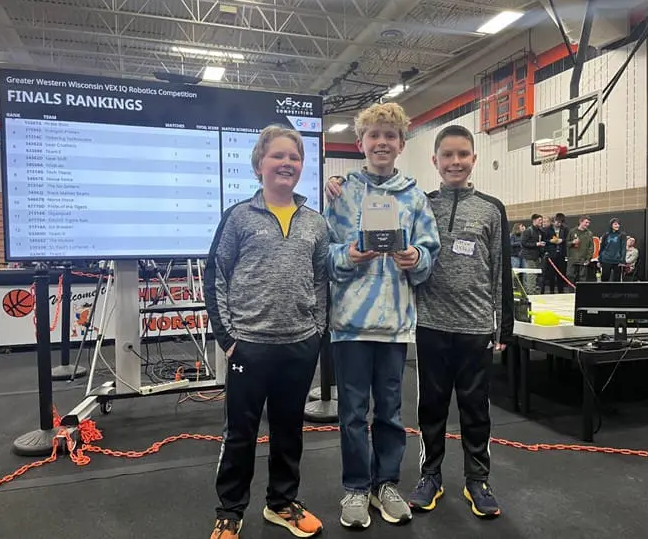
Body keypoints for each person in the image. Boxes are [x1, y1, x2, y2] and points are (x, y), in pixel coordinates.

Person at [325, 123, 513, 519]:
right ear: (434, 160)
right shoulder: (366, 196)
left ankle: (464, 480)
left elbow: (482, 267)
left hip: (449, 325)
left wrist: (503, 326)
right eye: (447, 155)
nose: (455, 162)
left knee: (463, 410)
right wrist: (349, 251)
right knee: (409, 409)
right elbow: (326, 252)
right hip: (398, 324)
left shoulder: (447, 203)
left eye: (463, 155)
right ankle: (397, 482)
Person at [204, 125, 329, 539]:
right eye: (278, 156)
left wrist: (316, 331)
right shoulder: (238, 217)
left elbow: (321, 281)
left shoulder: (316, 222)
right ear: (260, 164)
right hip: (249, 347)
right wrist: (228, 339)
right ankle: (230, 511)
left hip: (299, 344)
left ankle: (281, 503)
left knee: (289, 430)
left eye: (294, 157)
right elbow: (216, 276)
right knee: (240, 434)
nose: (286, 163)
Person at [324, 102, 441, 530]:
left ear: (401, 144)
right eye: (374, 135)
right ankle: (356, 487)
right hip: (350, 325)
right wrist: (349, 255)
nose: (381, 142)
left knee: (390, 413)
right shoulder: (341, 194)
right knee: (352, 414)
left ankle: (385, 484)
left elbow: (429, 250)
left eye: (390, 135)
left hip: (394, 325)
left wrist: (416, 258)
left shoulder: (414, 196)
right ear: (360, 143)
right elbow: (325, 253)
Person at [519, 214, 545, 294]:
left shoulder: (540, 231)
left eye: (542, 220)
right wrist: (536, 244)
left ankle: (533, 290)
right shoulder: (528, 231)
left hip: (537, 256)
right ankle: (531, 292)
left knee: (535, 275)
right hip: (529, 256)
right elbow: (523, 243)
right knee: (531, 275)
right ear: (534, 220)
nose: (541, 222)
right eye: (539, 220)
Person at [566, 216, 594, 285]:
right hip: (572, 259)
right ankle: (571, 291)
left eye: (589, 223)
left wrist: (588, 259)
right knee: (570, 276)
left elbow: (591, 247)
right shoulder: (572, 231)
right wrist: (572, 242)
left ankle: (582, 291)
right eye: (586, 222)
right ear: (580, 222)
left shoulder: (589, 233)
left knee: (582, 278)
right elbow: (566, 243)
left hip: (583, 259)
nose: (587, 224)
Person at [598, 218, 627, 282]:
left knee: (617, 280)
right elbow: (602, 248)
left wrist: (622, 260)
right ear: (611, 225)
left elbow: (623, 248)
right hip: (606, 259)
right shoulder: (606, 235)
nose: (617, 225)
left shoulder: (622, 235)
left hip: (617, 261)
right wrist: (599, 260)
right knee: (605, 279)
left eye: (618, 224)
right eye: (615, 224)